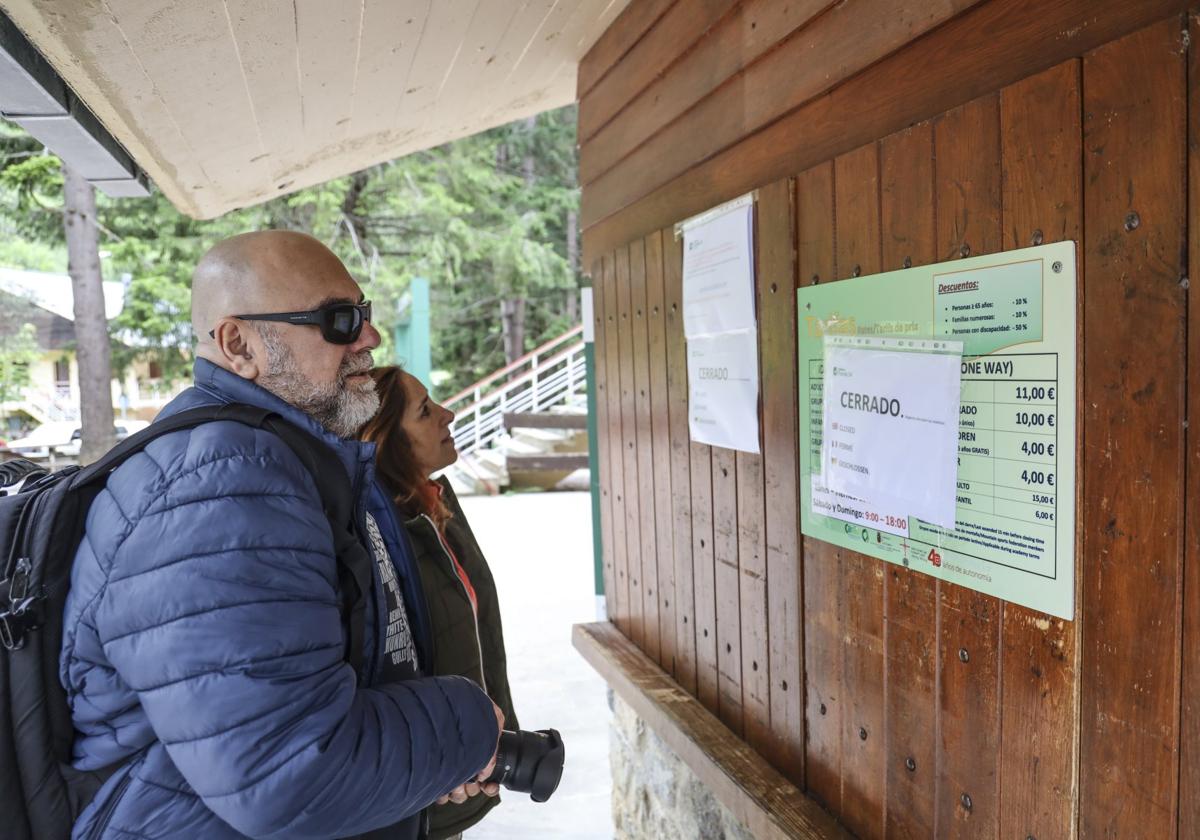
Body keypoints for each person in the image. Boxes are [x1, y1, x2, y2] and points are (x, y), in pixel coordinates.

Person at [60, 231, 502, 839]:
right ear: (239, 344)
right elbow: (287, 773)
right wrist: (466, 728)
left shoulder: (284, 463)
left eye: (364, 314)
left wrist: (425, 759)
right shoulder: (221, 486)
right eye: (338, 320)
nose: (368, 337)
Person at [359, 367, 519, 840]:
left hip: (463, 768)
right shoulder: (376, 536)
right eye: (426, 412)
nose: (447, 415)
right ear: (386, 440)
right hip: (429, 787)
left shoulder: (432, 506)